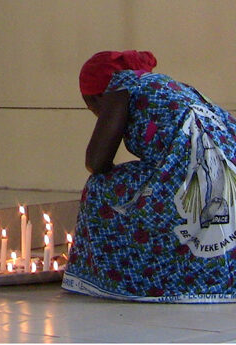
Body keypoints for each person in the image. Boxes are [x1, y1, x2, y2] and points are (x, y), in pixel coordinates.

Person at [61, 50, 236, 303]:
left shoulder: (120, 86)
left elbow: (96, 161)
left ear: (96, 95)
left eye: (91, 107)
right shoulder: (174, 86)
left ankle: (116, 276)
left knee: (100, 187)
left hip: (190, 177)